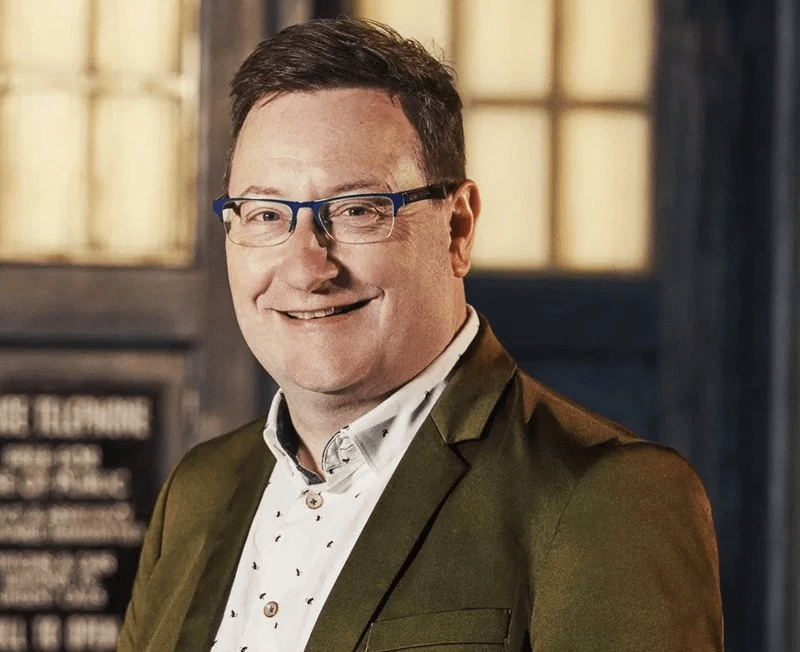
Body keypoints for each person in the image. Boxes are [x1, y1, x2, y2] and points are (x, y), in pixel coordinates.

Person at [118, 18, 724, 652]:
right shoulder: (197, 491)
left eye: (357, 210)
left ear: (458, 228)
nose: (306, 269)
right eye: (267, 214)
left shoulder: (609, 496)